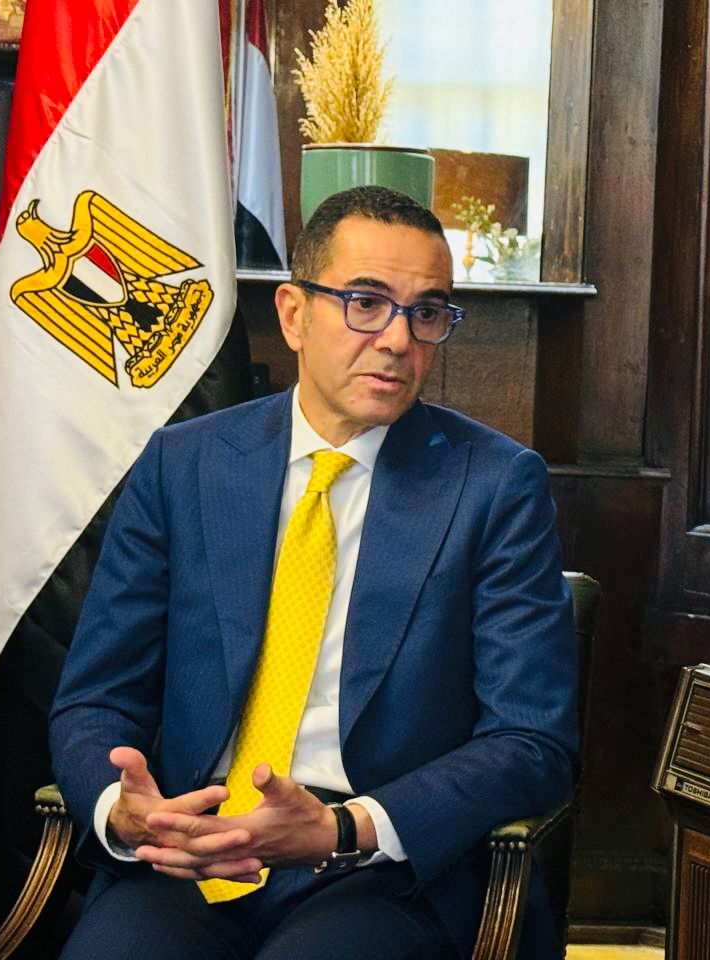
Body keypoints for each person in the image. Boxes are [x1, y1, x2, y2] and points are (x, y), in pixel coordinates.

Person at [48, 186, 578, 960]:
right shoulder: (183, 464)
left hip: (382, 869)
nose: (398, 339)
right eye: (366, 303)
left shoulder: (495, 486)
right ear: (293, 314)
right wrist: (123, 812)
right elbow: (96, 698)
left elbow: (532, 741)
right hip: (191, 853)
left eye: (427, 312)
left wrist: (342, 828)